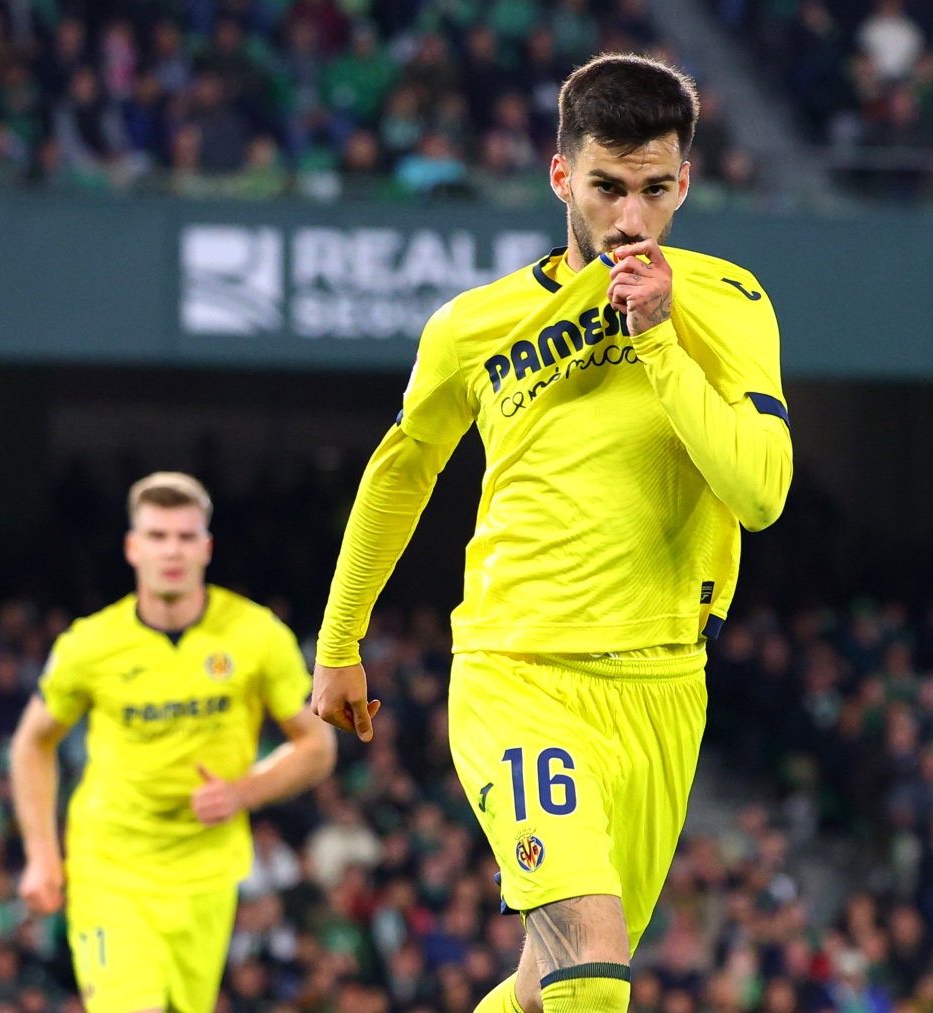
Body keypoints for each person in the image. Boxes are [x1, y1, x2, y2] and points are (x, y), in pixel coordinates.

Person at [313, 53, 792, 1013]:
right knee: (593, 965)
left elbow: (761, 491)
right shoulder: (472, 327)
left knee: (548, 984)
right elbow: (401, 470)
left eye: (655, 190)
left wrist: (658, 336)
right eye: (608, 187)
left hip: (664, 683)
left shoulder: (730, 304)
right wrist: (339, 640)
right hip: (519, 670)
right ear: (561, 174)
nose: (631, 218)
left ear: (684, 183)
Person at [9, 472, 334, 1013]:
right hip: (111, 864)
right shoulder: (90, 644)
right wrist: (42, 855)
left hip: (206, 872)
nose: (172, 550)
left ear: (206, 548)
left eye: (186, 537)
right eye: (157, 536)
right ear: (133, 548)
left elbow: (317, 746)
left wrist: (243, 792)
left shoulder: (256, 636)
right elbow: (31, 745)